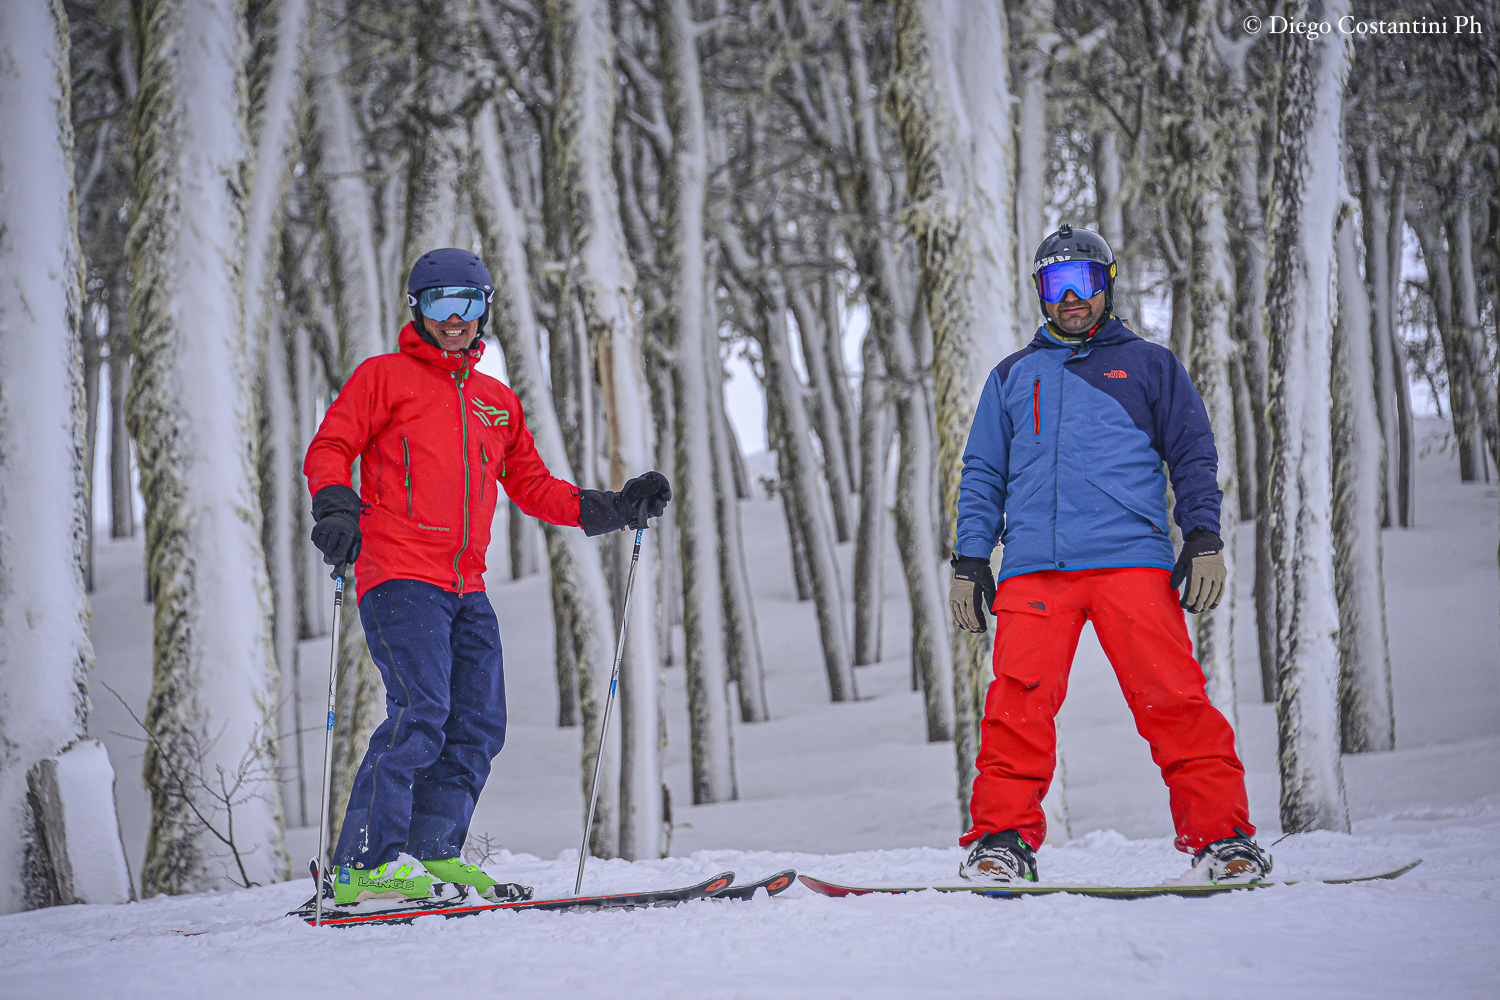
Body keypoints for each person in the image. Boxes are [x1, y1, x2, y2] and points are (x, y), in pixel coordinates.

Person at [304, 248, 671, 905]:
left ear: (484, 311)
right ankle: (363, 865)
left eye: (468, 303)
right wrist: (334, 504)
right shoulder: (383, 378)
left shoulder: (496, 403)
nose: (455, 318)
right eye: (440, 302)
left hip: (464, 587)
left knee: (477, 723)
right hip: (398, 575)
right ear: (415, 308)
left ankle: (432, 856)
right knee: (421, 712)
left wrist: (615, 507)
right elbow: (332, 445)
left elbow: (532, 486)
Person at [948, 225, 1270, 885]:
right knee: (1016, 708)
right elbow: (981, 473)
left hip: (1132, 564)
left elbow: (1192, 455)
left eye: (1085, 282)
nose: (1072, 298)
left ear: (1107, 285)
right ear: (1040, 292)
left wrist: (1203, 538)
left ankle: (1224, 841)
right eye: (1056, 284)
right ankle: (1001, 842)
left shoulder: (1150, 366)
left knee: (1175, 702)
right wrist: (970, 559)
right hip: (1036, 571)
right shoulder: (1012, 376)